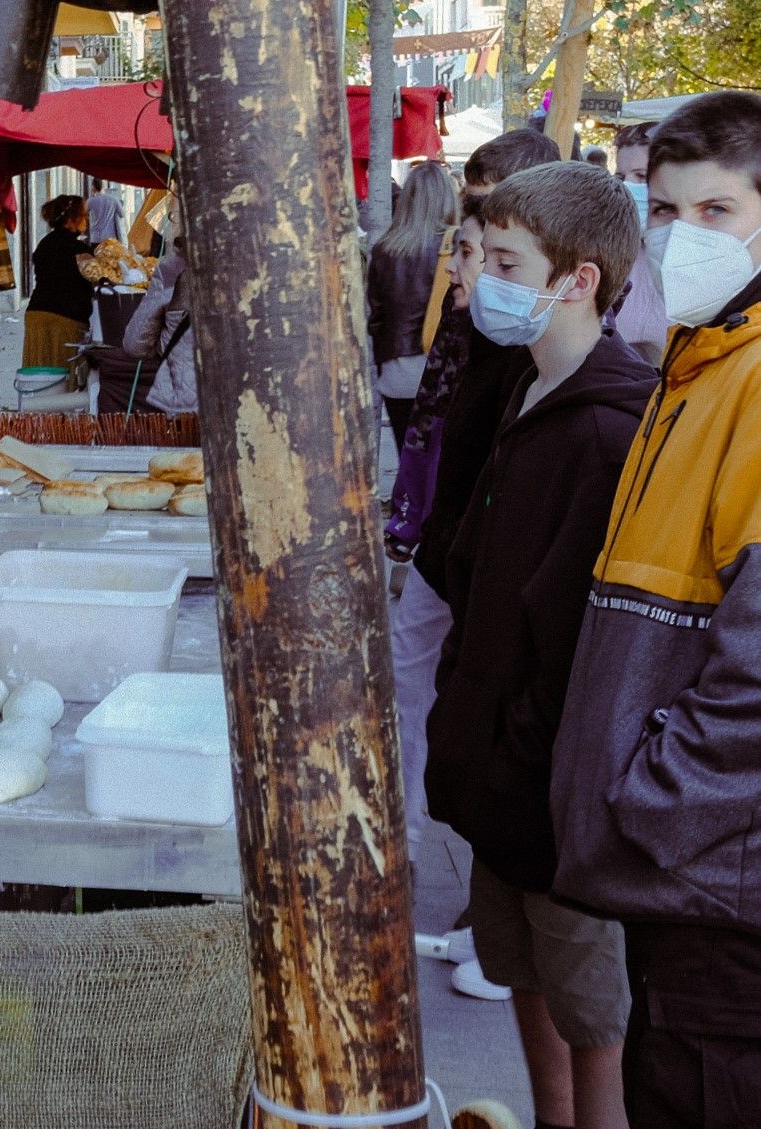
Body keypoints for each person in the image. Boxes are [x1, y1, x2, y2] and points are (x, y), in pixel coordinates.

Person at [550, 90, 761, 1126]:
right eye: (663, 211)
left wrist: (657, 805)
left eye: (714, 211)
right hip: (682, 879)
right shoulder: (696, 361)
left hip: (718, 886)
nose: (682, 238)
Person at [427, 161, 652, 1129]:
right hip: (496, 778)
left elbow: (575, 642)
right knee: (518, 971)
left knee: (591, 1012)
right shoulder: (517, 386)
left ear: (577, 279)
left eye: (505, 260)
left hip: (557, 797)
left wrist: (521, 763)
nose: (477, 281)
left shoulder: (608, 432)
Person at [386, 129, 563, 857]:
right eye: (466, 247)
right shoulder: (477, 327)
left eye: (494, 251)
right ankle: (416, 834)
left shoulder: (544, 357)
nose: (467, 267)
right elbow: (437, 431)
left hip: (479, 557)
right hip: (446, 542)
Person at [368, 162, 459, 449]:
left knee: (407, 460)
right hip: (442, 371)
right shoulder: (457, 245)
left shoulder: (384, 249)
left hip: (396, 372)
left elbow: (376, 317)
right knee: (438, 466)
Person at [122, 198, 196, 415]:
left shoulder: (171, 270)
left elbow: (135, 344)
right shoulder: (254, 266)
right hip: (244, 402)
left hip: (187, 403)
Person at [611, 123, 669, 366]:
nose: (628, 187)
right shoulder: (610, 245)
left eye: (641, 176)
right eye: (621, 177)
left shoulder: (699, 254)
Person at [22, 194, 94, 370]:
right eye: (84, 215)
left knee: (38, 375)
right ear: (71, 219)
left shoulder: (44, 244)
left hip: (36, 316)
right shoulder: (79, 250)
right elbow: (96, 276)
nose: (87, 219)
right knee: (63, 377)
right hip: (65, 320)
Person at [86, 178, 124, 245]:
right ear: (103, 186)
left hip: (95, 238)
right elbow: (122, 214)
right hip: (111, 238)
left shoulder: (90, 201)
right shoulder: (113, 199)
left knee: (97, 255)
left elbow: (83, 215)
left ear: (93, 186)